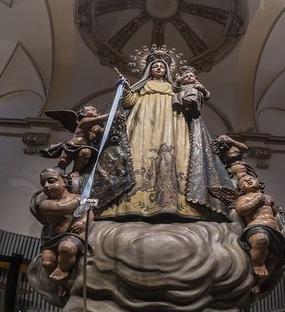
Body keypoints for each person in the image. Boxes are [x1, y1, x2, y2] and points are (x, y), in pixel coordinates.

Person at [93, 50, 233, 220]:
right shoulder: (143, 86)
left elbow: (193, 94)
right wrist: (124, 89)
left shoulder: (174, 87)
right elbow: (129, 102)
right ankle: (131, 201)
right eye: (155, 66)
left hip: (171, 122)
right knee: (139, 153)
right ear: (149, 70)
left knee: (171, 151)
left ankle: (175, 201)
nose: (159, 68)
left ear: (167, 70)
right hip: (143, 121)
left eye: (162, 66)